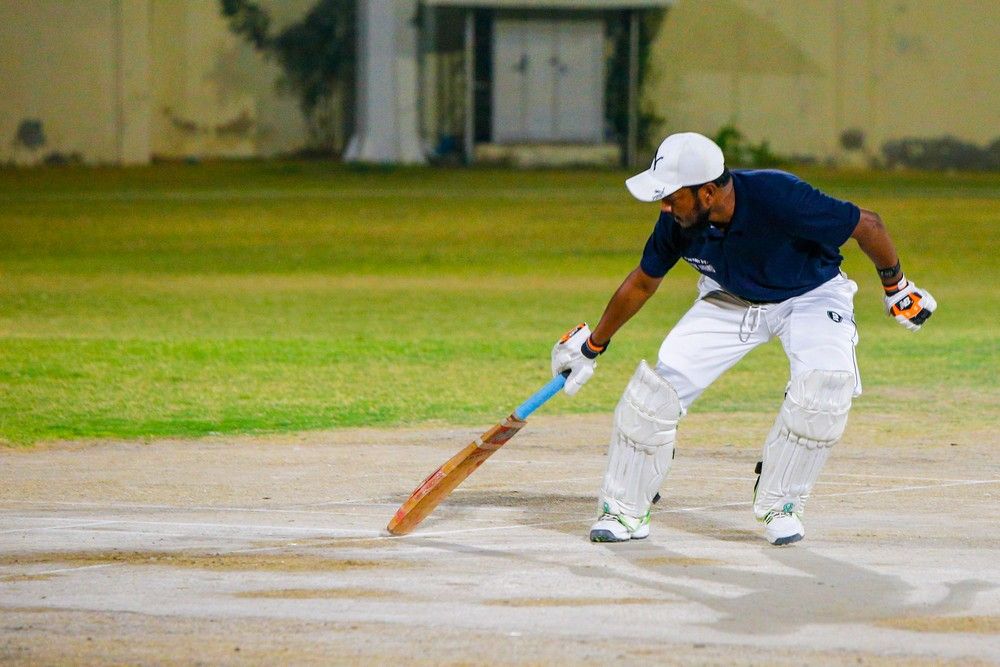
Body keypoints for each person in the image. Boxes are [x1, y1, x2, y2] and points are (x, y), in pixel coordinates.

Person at [551, 132, 936, 545]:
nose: (664, 207)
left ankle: (781, 504)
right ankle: (625, 512)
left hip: (810, 295)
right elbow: (643, 282)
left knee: (823, 391)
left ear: (708, 192)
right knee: (651, 397)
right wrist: (593, 345)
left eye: (672, 197)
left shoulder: (780, 197)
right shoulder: (679, 221)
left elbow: (868, 224)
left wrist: (896, 287)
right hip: (730, 299)